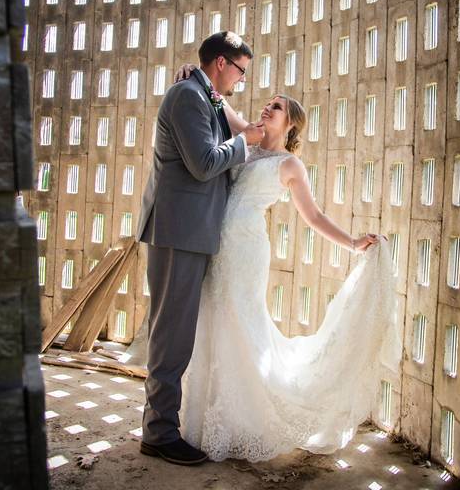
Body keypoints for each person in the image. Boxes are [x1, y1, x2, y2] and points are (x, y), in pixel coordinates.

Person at [152, 65, 402, 462]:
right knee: (212, 324)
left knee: (241, 324)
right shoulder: (245, 143)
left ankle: (247, 420)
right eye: (268, 103)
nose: (267, 109)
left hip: (245, 251)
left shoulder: (289, 165)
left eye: (277, 107)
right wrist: (194, 74)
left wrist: (353, 242)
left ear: (291, 124)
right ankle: (208, 418)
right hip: (212, 246)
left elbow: (315, 216)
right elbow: (218, 100)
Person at [133, 32, 265, 466]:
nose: (241, 82)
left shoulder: (200, 92)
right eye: (241, 72)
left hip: (189, 230)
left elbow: (225, 124)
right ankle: (159, 433)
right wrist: (244, 145)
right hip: (179, 230)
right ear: (223, 63)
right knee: (171, 334)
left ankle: (160, 424)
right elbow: (204, 162)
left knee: (177, 332)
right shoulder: (187, 97)